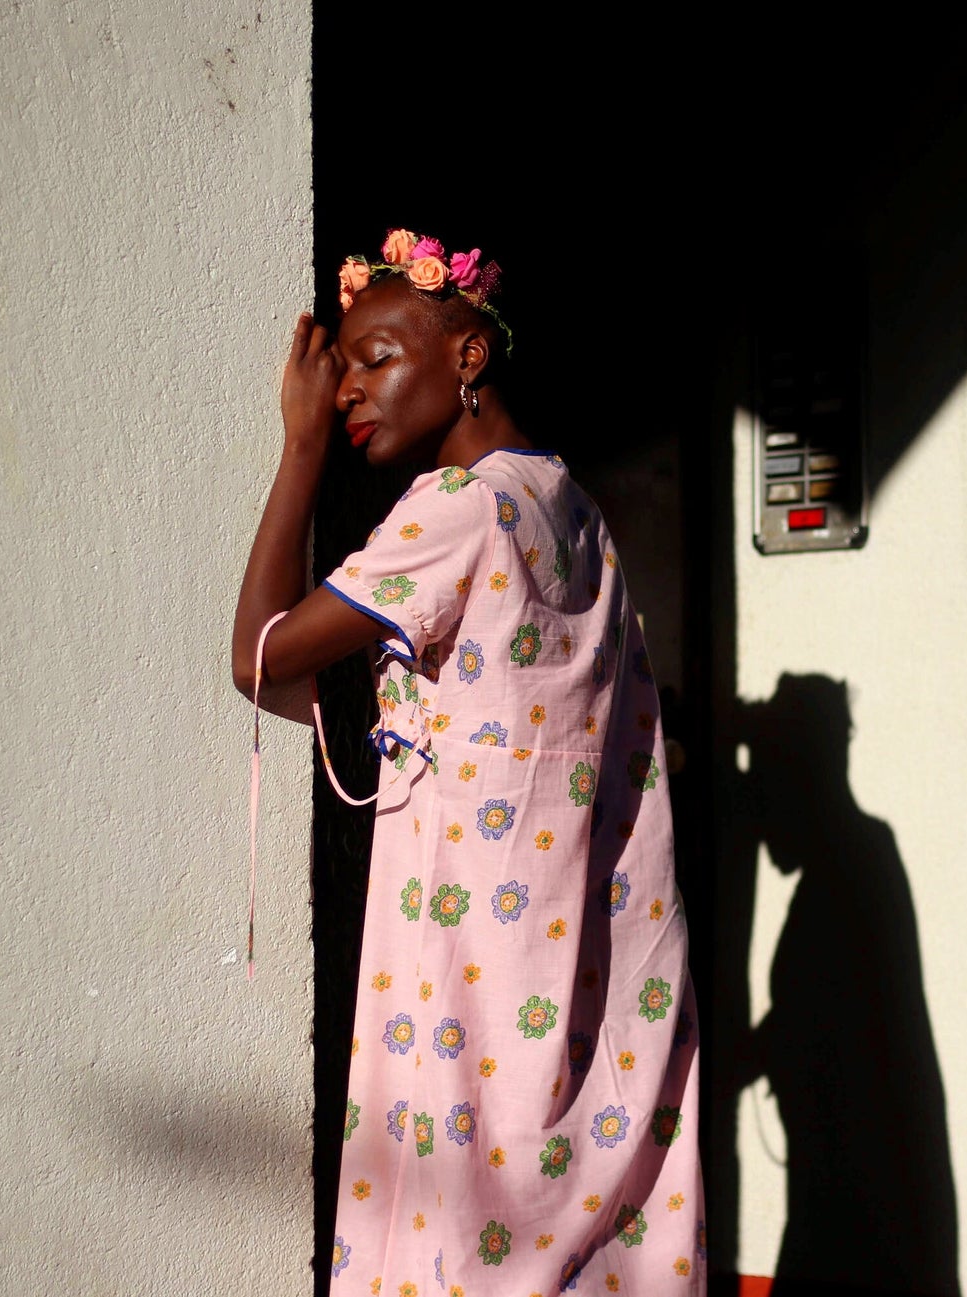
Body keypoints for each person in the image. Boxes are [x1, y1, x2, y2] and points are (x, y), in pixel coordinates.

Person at [230, 229, 704, 1296]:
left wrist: (299, 446)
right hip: (571, 955)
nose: (349, 389)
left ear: (467, 357)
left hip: (467, 964)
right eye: (338, 370)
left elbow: (259, 656)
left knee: (456, 1219)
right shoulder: (569, 506)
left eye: (377, 357)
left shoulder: (456, 510)